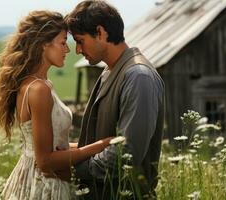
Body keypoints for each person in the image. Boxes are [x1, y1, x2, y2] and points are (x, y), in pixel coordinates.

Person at [0, 10, 113, 200]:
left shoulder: (36, 84)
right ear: (43, 44)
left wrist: (91, 146)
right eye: (63, 43)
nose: (68, 50)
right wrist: (100, 146)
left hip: (33, 176)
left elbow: (55, 146)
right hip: (44, 184)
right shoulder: (39, 89)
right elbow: (45, 161)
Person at [65, 1, 165, 199]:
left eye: (80, 40)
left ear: (100, 32)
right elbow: (100, 137)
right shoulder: (109, 71)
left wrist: (73, 170)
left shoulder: (138, 76)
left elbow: (127, 152)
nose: (77, 50)